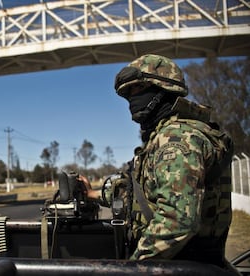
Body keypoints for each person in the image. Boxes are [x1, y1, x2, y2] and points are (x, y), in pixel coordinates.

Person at [79, 54, 235, 271]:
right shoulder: (164, 138)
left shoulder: (178, 140)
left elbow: (177, 220)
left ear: (163, 89)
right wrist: (94, 194)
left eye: (137, 89)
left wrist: (134, 267)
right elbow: (141, 194)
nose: (131, 100)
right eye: (128, 94)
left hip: (182, 267)